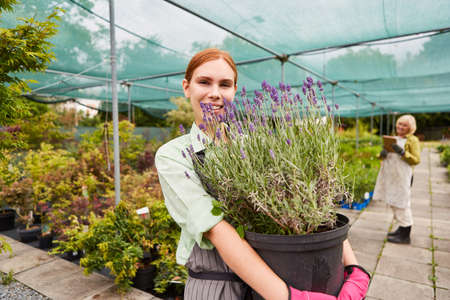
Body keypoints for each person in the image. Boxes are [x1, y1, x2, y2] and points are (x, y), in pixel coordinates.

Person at [155, 48, 370, 300]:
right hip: (221, 289)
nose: (214, 93)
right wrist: (289, 297)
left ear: (235, 90)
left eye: (225, 84)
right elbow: (217, 230)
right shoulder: (173, 155)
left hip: (280, 276)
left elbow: (310, 209)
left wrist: (353, 267)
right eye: (204, 82)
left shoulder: (254, 146)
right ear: (186, 86)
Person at [373, 115, 421, 244]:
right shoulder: (392, 139)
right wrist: (381, 154)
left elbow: (416, 160)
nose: (400, 127)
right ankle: (401, 228)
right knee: (393, 201)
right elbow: (383, 156)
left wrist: (402, 153)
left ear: (410, 127)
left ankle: (405, 235)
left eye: (404, 125)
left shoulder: (413, 140)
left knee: (402, 203)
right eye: (399, 124)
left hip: (402, 176)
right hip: (390, 175)